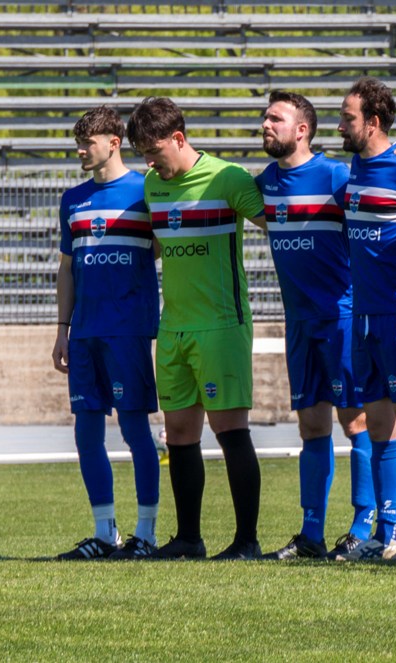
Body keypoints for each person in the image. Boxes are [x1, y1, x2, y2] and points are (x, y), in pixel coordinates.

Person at [126, 96, 265, 560]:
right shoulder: (152, 185)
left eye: (154, 151)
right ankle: (189, 539)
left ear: (179, 138)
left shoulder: (229, 179)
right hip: (174, 328)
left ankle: (246, 541)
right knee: (180, 435)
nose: (149, 163)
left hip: (222, 326)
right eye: (143, 154)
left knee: (230, 430)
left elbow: (278, 224)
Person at [254, 91, 373, 560]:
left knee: (356, 420)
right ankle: (311, 534)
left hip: (342, 317)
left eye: (275, 118)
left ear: (302, 130)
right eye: (265, 117)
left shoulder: (336, 177)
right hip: (299, 322)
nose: (266, 124)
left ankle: (364, 526)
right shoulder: (264, 183)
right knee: (311, 426)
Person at [52, 105, 161, 560]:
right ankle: (104, 533)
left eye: (88, 143)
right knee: (86, 435)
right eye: (78, 143)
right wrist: (62, 328)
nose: (81, 151)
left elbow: (162, 248)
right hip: (84, 333)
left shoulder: (146, 191)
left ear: (114, 143)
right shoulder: (72, 199)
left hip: (128, 330)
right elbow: (67, 269)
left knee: (135, 431)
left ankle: (146, 534)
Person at [337, 77, 396, 560]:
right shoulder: (354, 167)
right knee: (377, 423)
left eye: (347, 118)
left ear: (373, 122)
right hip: (363, 316)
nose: (340, 126)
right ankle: (387, 530)